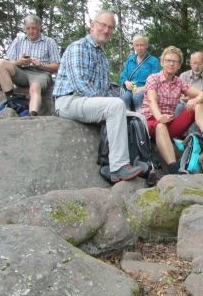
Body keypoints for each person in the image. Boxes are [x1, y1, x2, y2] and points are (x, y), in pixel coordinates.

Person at [53, 11, 147, 184]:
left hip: (88, 102)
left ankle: (144, 163)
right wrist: (108, 101)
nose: (106, 30)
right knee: (116, 106)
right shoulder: (79, 47)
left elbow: (105, 89)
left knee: (138, 117)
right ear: (92, 25)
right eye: (103, 25)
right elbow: (79, 83)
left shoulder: (102, 55)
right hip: (69, 100)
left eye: (111, 27)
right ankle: (118, 167)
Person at [142, 46, 203, 174]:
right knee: (160, 126)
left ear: (179, 66)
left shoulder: (179, 82)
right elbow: (151, 101)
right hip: (151, 122)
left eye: (175, 61)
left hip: (170, 123)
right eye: (168, 60)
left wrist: (196, 99)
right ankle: (173, 167)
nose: (171, 64)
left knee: (199, 104)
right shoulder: (153, 78)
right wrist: (159, 117)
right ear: (162, 62)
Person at [0, 14, 61, 116]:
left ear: (39, 27)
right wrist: (19, 62)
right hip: (21, 72)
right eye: (28, 28)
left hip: (41, 73)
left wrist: (41, 65)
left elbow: (57, 67)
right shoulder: (18, 40)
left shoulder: (49, 42)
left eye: (33, 28)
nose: (30, 31)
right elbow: (8, 62)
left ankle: (32, 114)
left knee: (35, 87)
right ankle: (11, 99)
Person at [119, 34, 160, 111]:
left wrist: (143, 88)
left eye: (142, 45)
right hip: (131, 90)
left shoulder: (154, 61)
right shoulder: (130, 60)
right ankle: (126, 116)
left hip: (146, 91)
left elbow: (157, 81)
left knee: (139, 96)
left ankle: (140, 117)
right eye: (137, 45)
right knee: (124, 98)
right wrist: (126, 82)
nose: (139, 48)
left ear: (146, 46)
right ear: (134, 46)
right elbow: (123, 76)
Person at [177, 51, 203, 115]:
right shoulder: (184, 75)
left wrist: (193, 99)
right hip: (183, 105)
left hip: (200, 106)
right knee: (178, 107)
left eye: (200, 64)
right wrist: (181, 96)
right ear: (190, 63)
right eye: (194, 63)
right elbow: (177, 92)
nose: (196, 66)